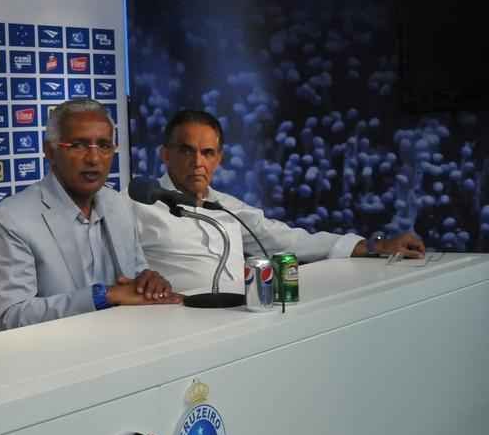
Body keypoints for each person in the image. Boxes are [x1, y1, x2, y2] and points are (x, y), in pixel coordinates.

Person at [135, 109, 426, 295]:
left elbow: (288, 240)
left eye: (208, 153)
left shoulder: (227, 207)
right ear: (164, 154)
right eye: (187, 151)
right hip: (174, 324)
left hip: (237, 318)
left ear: (219, 159)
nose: (198, 162)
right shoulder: (136, 204)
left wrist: (375, 246)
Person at [0, 98, 179, 331]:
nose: (94, 159)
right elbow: (12, 316)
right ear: (50, 151)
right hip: (57, 352)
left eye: (105, 146)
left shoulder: (119, 205)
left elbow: (135, 278)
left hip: (125, 341)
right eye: (78, 145)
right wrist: (102, 296)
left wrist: (149, 283)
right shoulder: (13, 218)